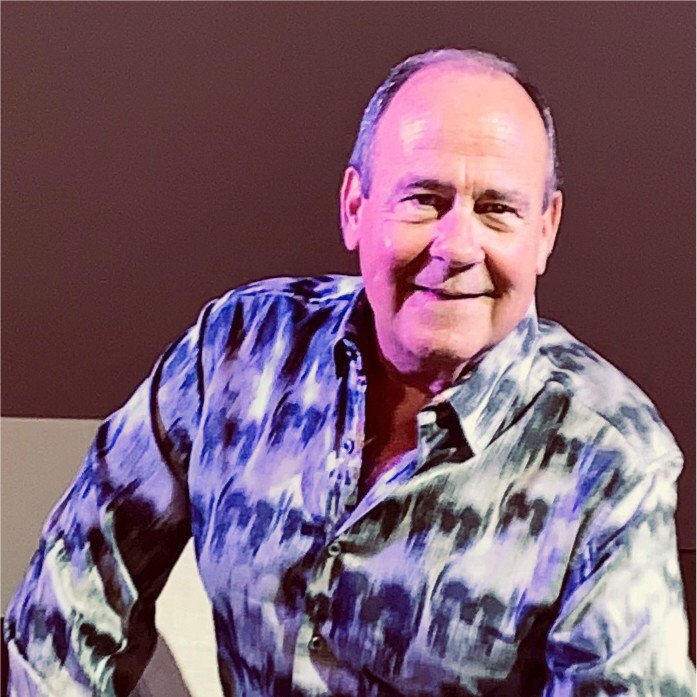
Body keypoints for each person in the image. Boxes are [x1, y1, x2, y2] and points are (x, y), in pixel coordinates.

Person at [4, 47, 694, 697]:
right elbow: (71, 600)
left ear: (544, 230)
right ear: (355, 207)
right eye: (423, 198)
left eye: (496, 209)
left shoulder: (610, 455)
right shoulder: (238, 349)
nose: (457, 246)